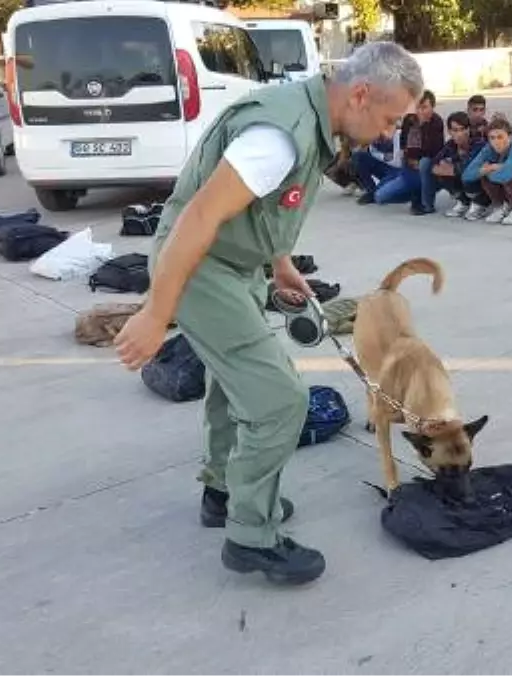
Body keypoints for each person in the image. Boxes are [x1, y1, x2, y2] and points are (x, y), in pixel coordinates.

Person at [112, 42, 422, 586]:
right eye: (389, 118)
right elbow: (200, 216)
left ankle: (221, 490)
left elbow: (258, 203)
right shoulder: (279, 136)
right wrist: (155, 314)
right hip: (201, 265)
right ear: (360, 95)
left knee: (235, 385)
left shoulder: (305, 117)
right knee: (280, 399)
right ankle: (251, 535)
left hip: (231, 263)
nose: (388, 133)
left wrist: (279, 262)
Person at [461, 116, 512, 226]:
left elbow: (506, 174)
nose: (496, 141)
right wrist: (490, 168)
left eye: (500, 137)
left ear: (510, 137)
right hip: (507, 191)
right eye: (492, 138)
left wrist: (492, 168)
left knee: (511, 174)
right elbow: (466, 175)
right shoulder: (488, 149)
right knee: (485, 172)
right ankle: (500, 207)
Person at [416, 111, 491, 218]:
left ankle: (480, 204)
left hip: (481, 186)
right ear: (450, 132)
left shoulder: (479, 143)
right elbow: (435, 164)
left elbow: (471, 168)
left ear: (468, 129)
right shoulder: (450, 145)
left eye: (463, 129)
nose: (459, 134)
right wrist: (442, 167)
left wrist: (452, 169)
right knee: (428, 164)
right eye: (455, 130)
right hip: (461, 180)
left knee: (468, 174)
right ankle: (463, 202)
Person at [402, 89, 445, 215]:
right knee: (383, 196)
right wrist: (409, 158)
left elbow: (435, 149)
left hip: (427, 160)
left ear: (432, 107)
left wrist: (423, 126)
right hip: (411, 161)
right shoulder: (408, 120)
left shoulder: (436, 122)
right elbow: (404, 143)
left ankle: (427, 204)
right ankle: (414, 195)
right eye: (417, 107)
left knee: (424, 163)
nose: (420, 111)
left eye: (425, 107)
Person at [351, 131, 400, 204]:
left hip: (398, 170)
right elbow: (373, 152)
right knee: (358, 156)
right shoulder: (373, 133)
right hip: (384, 165)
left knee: (384, 190)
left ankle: (374, 193)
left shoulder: (397, 134)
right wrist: (384, 157)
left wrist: (385, 157)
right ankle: (370, 189)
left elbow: (397, 161)